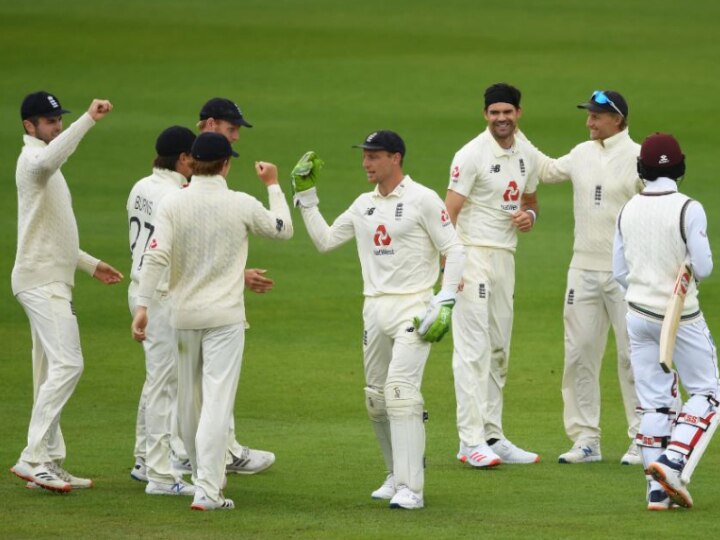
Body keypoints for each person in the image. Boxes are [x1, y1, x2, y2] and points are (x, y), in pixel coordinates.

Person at [293, 130, 465, 510]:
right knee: (376, 399)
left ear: (396, 158)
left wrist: (445, 300)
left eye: (374, 156)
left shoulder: (422, 198)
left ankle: (411, 488)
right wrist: (306, 197)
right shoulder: (362, 205)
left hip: (413, 306)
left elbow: (454, 249)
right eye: (365, 156)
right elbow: (324, 242)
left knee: (401, 392)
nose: (366, 163)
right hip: (374, 308)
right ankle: (393, 475)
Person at [131, 132, 293, 510]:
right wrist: (273, 186)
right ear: (225, 164)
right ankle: (207, 489)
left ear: (194, 162)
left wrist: (142, 306)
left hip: (183, 317)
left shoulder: (172, 202)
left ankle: (203, 480)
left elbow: (155, 257)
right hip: (224, 320)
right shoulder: (240, 203)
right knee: (217, 402)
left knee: (188, 402)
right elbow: (283, 230)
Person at [10, 91, 123, 492]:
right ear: (30, 126)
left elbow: (53, 233)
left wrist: (91, 266)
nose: (57, 125)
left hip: (47, 275)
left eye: (60, 120)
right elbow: (49, 157)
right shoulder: (34, 163)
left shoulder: (45, 167)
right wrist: (88, 120)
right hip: (41, 281)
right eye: (50, 121)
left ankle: (49, 461)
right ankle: (32, 457)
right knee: (69, 364)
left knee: (48, 372)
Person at [534, 90, 642, 465]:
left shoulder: (639, 157)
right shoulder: (581, 153)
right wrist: (510, 134)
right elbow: (545, 170)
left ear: (617, 118)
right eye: (589, 115)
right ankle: (586, 440)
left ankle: (643, 437)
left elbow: (659, 206)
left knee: (633, 356)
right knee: (579, 352)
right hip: (582, 270)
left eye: (596, 116)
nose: (589, 122)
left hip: (628, 274)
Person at [613, 132, 716, 510]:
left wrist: (646, 287)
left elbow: (618, 270)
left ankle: (656, 493)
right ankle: (672, 462)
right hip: (681, 317)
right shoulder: (689, 207)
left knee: (654, 403)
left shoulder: (628, 208)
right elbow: (703, 266)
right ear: (681, 166)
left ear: (642, 168)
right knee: (708, 393)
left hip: (638, 314)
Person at [445, 83, 540, 467]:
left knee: (499, 348)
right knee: (472, 350)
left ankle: (492, 435)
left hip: (505, 258)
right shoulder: (471, 155)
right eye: (494, 112)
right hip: (471, 256)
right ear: (485, 115)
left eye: (508, 112)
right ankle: (469, 442)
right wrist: (451, 268)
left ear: (518, 113)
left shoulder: (525, 152)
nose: (501, 118)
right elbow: (446, 214)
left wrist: (528, 217)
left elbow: (531, 201)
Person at [196, 98, 276, 475]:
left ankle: (221, 453)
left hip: (186, 301)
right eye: (231, 130)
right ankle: (169, 463)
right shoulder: (192, 173)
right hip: (202, 304)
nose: (235, 138)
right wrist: (274, 187)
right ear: (210, 124)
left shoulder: (191, 175)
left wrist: (238, 273)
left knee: (190, 388)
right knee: (197, 389)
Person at [127, 126, 197, 495]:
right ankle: (159, 474)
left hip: (140, 291)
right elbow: (173, 253)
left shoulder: (141, 186)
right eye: (195, 157)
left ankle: (144, 459)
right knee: (164, 385)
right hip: (160, 297)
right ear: (183, 159)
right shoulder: (175, 197)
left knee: (157, 379)